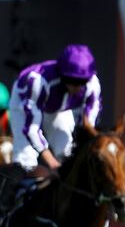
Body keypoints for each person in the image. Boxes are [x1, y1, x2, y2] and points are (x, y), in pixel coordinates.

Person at [7, 44, 102, 172]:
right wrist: (52, 164)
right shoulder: (38, 82)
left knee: (66, 153)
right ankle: (20, 189)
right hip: (25, 102)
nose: (78, 87)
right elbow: (31, 129)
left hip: (58, 108)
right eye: (72, 81)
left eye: (82, 82)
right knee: (26, 159)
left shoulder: (92, 85)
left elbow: (88, 128)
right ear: (62, 75)